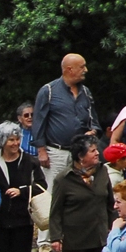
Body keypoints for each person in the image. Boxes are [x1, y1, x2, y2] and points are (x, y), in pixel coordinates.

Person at [50, 137, 115, 252]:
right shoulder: (64, 179)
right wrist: (56, 237)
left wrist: (113, 226)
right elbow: (55, 211)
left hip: (98, 235)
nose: (97, 153)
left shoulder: (102, 171)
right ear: (80, 156)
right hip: (74, 238)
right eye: (92, 150)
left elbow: (110, 202)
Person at [33, 53, 99, 188]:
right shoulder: (48, 91)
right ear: (70, 69)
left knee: (79, 191)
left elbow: (94, 120)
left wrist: (94, 131)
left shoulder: (86, 92)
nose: (86, 70)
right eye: (82, 67)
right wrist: (41, 151)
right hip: (56, 153)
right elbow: (38, 122)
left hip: (80, 153)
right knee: (53, 190)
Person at [0, 122, 42, 252]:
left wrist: (22, 191)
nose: (15, 143)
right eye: (10, 140)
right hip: (0, 223)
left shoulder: (30, 161)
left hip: (23, 222)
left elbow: (42, 187)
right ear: (2, 141)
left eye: (17, 139)